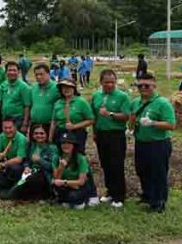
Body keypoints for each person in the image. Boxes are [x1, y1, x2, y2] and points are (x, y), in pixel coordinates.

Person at [130, 73, 176, 213]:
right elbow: (133, 118)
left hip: (158, 144)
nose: (143, 88)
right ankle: (148, 195)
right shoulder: (136, 102)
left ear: (154, 86)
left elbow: (171, 125)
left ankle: (159, 201)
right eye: (140, 85)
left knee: (158, 173)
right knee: (142, 170)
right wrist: (130, 128)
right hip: (141, 142)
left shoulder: (162, 103)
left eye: (147, 85)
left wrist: (153, 123)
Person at [91, 69, 131, 208]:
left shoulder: (122, 96)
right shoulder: (96, 95)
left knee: (116, 165)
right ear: (101, 82)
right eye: (106, 82)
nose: (109, 85)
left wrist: (110, 114)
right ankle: (110, 191)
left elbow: (126, 116)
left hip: (116, 134)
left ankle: (119, 196)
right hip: (101, 134)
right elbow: (94, 116)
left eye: (112, 82)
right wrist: (94, 132)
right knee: (105, 164)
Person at [11, 124, 59, 201]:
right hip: (31, 171)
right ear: (32, 135)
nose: (39, 135)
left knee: (31, 179)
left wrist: (40, 160)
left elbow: (52, 167)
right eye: (36, 133)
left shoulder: (52, 148)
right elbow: (26, 160)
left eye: (42, 133)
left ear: (47, 134)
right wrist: (26, 167)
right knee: (15, 170)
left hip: (44, 174)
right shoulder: (31, 146)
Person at [49, 79, 93, 153]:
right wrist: (50, 136)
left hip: (77, 133)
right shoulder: (58, 103)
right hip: (61, 132)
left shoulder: (81, 102)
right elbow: (54, 121)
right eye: (64, 87)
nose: (66, 89)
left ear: (74, 88)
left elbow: (91, 120)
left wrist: (74, 126)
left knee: (77, 154)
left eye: (69, 87)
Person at [52, 132, 93, 209]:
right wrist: (60, 167)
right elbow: (56, 179)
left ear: (74, 145)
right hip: (67, 186)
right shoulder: (56, 157)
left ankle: (82, 200)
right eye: (63, 143)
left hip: (78, 186)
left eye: (69, 143)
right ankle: (67, 200)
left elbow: (81, 182)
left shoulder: (81, 158)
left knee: (73, 196)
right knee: (55, 187)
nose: (66, 145)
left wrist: (65, 182)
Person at [0, 62, 31, 133]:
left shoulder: (24, 87)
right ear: (6, 72)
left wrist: (25, 124)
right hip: (5, 118)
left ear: (19, 72)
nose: (12, 72)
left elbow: (27, 106)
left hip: (18, 119)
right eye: (9, 70)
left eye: (14, 70)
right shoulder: (4, 84)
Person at [29, 64, 60, 135]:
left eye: (41, 74)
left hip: (50, 126)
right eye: (36, 75)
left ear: (48, 74)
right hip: (34, 125)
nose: (38, 77)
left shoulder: (57, 88)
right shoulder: (33, 87)